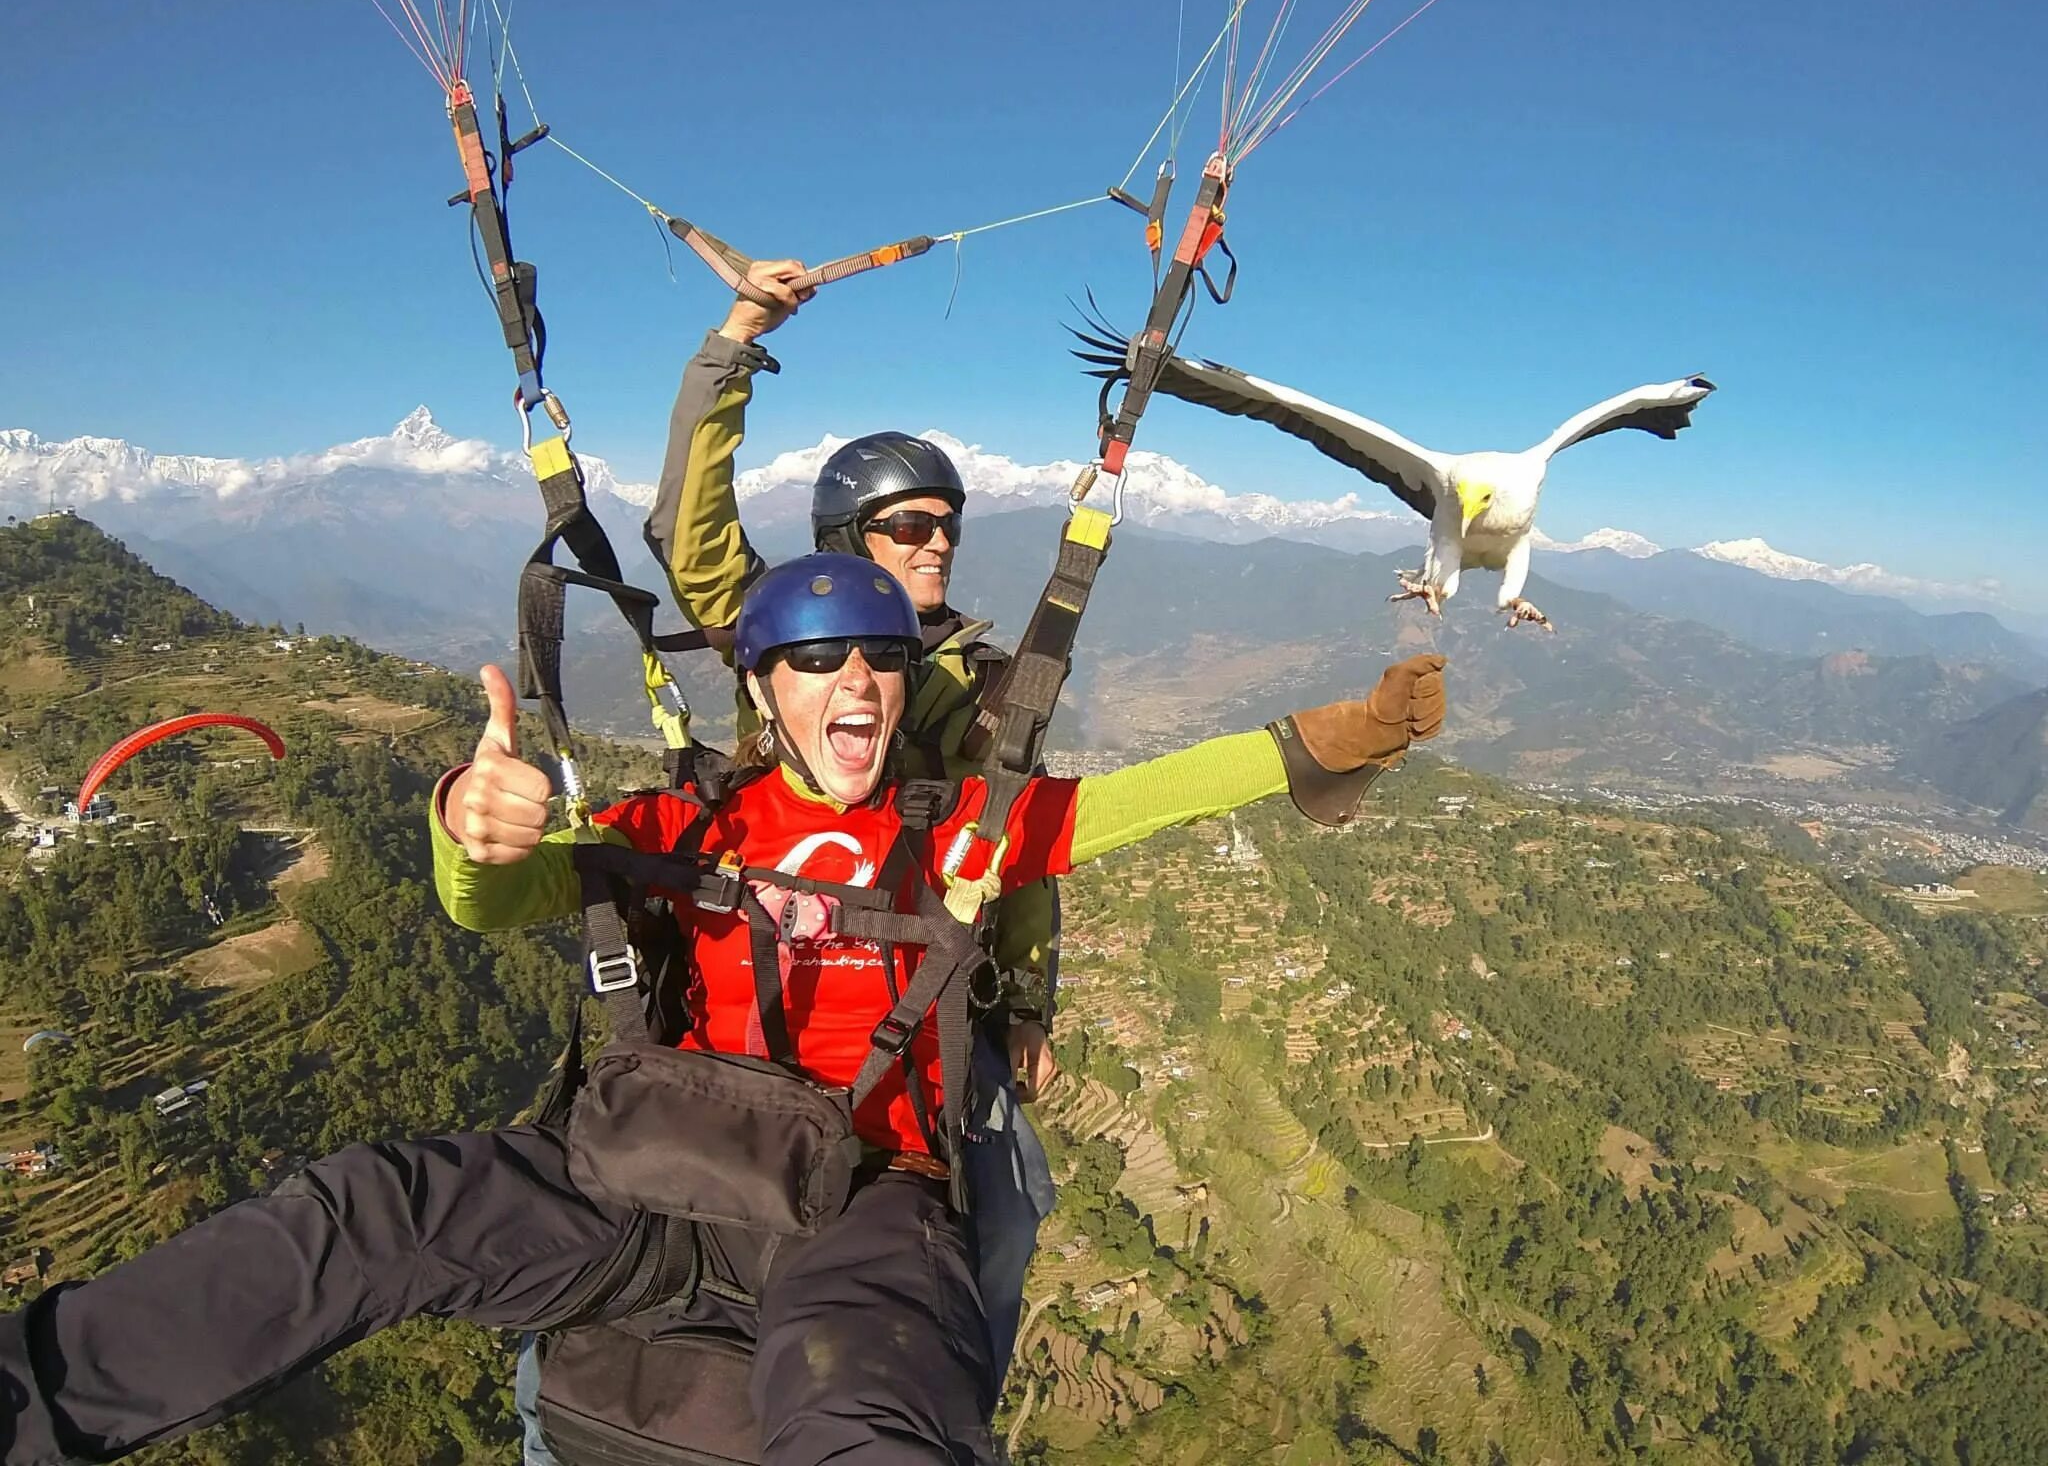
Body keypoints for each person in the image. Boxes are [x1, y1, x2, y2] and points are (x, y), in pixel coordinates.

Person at [0, 556, 1444, 1466]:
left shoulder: (961, 832)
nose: (855, 681)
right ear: (766, 686)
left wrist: (1336, 739)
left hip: (859, 1210)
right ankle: (36, 1396)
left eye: (879, 657)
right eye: (816, 660)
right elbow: (498, 899)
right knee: (373, 1213)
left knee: (864, 1414)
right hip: (631, 1186)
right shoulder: (683, 816)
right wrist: (467, 821)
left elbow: (1144, 797)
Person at [638, 263, 1059, 1387]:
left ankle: (944, 1398)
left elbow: (1015, 844)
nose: (938, 543)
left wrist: (1022, 1000)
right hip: (773, 961)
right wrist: (735, 339)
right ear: (845, 536)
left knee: (1010, 1211)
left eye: (949, 525)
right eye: (909, 524)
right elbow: (688, 531)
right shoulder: (786, 630)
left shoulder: (974, 679)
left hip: (920, 993)